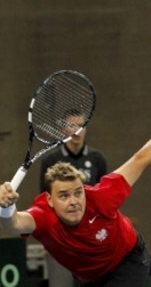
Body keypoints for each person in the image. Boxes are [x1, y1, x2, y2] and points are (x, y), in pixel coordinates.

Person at [0, 103, 151, 286]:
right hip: (89, 277)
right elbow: (13, 224)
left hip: (127, 259)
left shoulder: (101, 196)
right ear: (49, 200)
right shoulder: (43, 216)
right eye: (64, 196)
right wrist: (6, 207)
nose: (74, 202)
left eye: (77, 193)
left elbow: (140, 159)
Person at [38, 109, 108, 286]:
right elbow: (44, 202)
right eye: (71, 126)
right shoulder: (50, 160)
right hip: (61, 240)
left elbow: (103, 200)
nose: (77, 131)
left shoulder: (97, 159)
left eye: (81, 125)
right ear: (63, 129)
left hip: (91, 239)